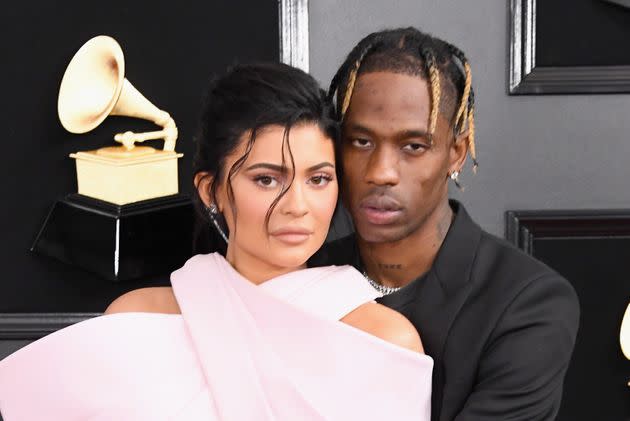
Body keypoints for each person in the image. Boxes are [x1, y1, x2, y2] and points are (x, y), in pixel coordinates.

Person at [0, 62, 433, 420]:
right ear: (211, 190)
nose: (297, 205)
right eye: (266, 179)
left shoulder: (384, 342)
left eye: (319, 179)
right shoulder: (135, 319)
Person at [310, 27, 580, 421]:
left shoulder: (527, 303)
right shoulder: (306, 274)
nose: (381, 172)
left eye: (413, 146)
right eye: (361, 141)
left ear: (456, 153)